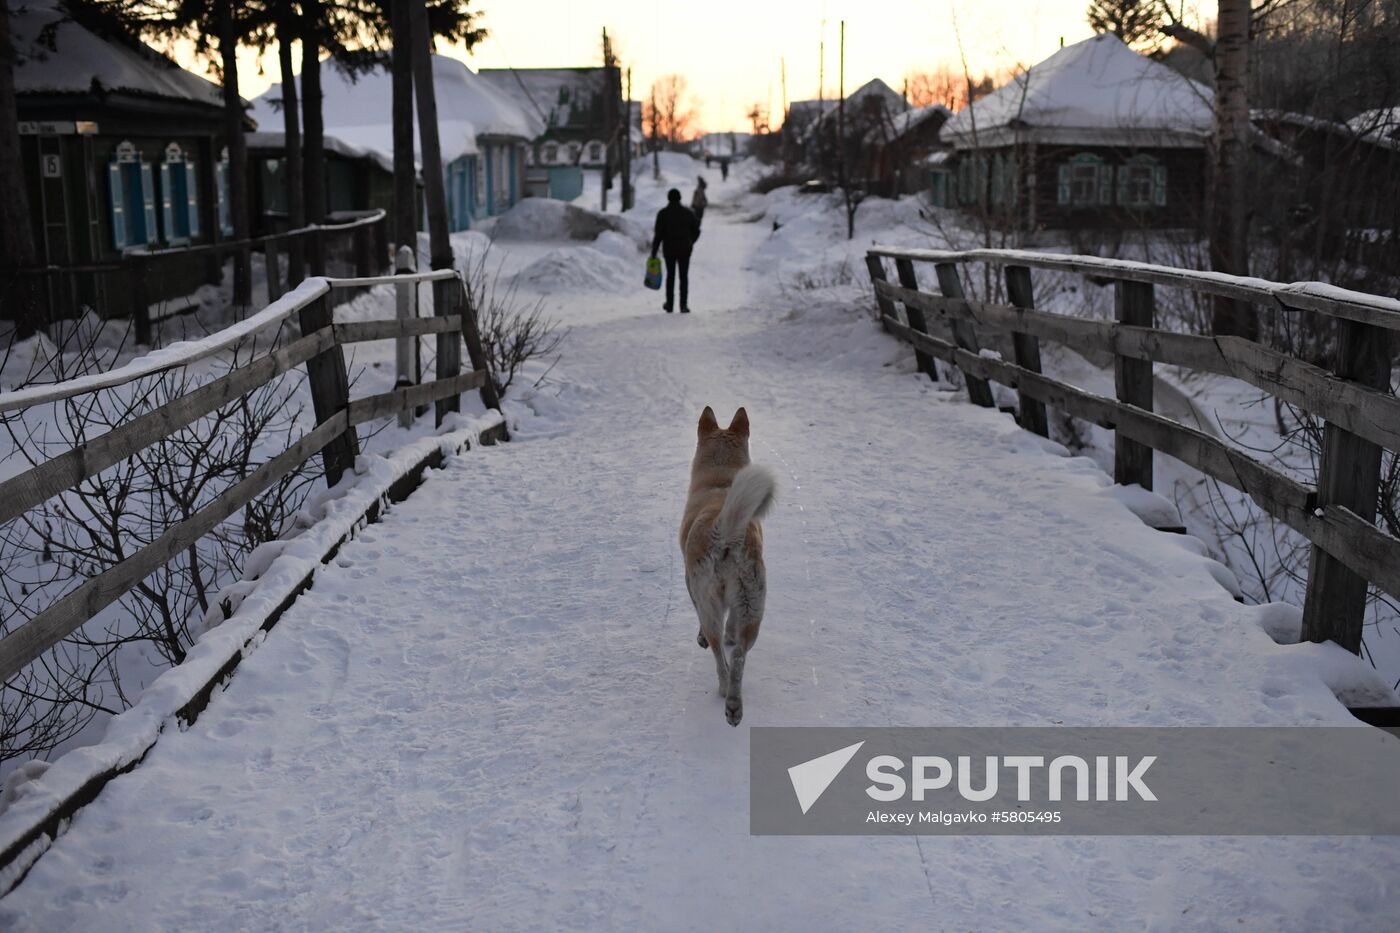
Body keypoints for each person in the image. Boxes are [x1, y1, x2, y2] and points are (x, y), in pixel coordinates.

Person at [651, 188, 701, 313]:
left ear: (668, 198)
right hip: (685, 248)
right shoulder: (688, 213)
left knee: (670, 276)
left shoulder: (663, 214)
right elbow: (697, 230)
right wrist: (691, 241)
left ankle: (670, 304)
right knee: (684, 276)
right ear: (680, 198)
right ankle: (683, 305)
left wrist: (654, 252)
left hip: (669, 249)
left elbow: (658, 235)